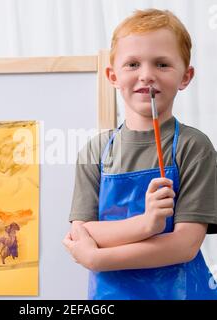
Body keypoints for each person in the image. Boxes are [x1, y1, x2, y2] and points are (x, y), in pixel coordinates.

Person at [63, 9, 217, 300]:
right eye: (132, 64)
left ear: (186, 77)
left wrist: (98, 259)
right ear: (113, 76)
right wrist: (146, 224)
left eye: (162, 64)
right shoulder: (94, 152)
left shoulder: (194, 148)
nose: (146, 75)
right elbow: (81, 234)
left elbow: (184, 245)